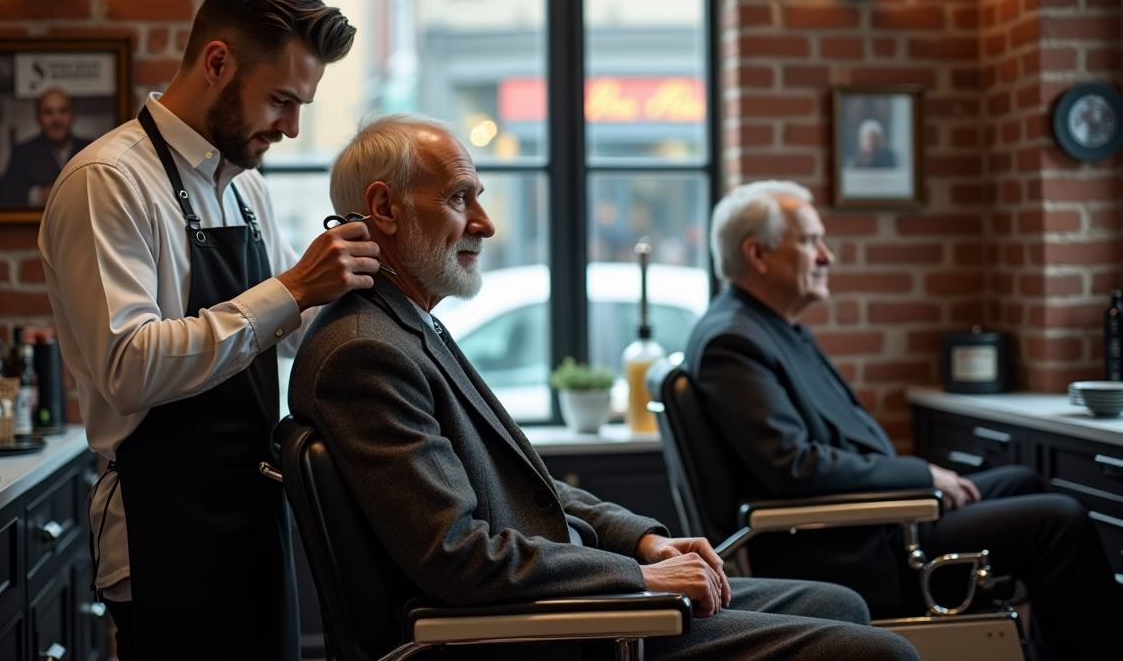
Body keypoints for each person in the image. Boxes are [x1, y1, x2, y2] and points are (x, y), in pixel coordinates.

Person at [288, 116, 920, 661]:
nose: (485, 223)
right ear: (385, 208)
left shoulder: (407, 327)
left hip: (564, 600)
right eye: (460, 199)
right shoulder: (365, 353)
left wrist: (642, 539)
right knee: (881, 652)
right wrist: (640, 579)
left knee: (840, 603)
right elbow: (459, 556)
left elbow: (527, 484)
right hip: (535, 635)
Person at [39, 0, 383, 661]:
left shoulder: (245, 187)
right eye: (281, 101)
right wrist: (290, 289)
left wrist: (381, 297)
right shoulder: (108, 183)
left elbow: (293, 331)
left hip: (254, 520)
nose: (290, 127)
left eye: (301, 107)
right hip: (161, 538)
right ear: (217, 63)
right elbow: (128, 367)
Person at [682, 180, 1123, 658]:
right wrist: (922, 476)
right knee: (1060, 520)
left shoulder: (767, 326)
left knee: (1022, 481)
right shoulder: (734, 342)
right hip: (849, 544)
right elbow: (795, 465)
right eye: (810, 241)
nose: (827, 256)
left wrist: (921, 481)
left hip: (870, 520)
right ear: (758, 254)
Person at [0, 88, 92, 205]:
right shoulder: (23, 153)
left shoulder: (90, 150)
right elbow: (6, 195)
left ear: (73, 115)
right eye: (48, 112)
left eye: (63, 111)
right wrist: (38, 196)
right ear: (37, 118)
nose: (56, 119)